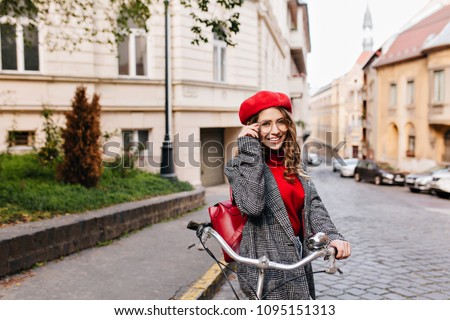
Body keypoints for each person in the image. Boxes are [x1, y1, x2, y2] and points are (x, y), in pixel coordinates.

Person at [224, 90, 351, 300]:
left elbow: (313, 206)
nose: (275, 131)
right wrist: (248, 149)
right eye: (265, 124)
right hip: (265, 268)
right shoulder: (238, 167)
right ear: (253, 128)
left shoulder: (294, 164)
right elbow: (253, 206)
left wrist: (333, 238)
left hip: (297, 261)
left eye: (281, 122)